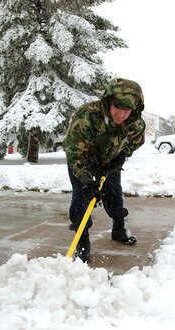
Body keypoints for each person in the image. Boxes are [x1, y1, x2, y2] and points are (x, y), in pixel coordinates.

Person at [64, 78, 146, 262]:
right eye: (117, 107)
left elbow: (135, 142)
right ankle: (82, 240)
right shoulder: (87, 115)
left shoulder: (136, 123)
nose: (121, 114)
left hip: (110, 162)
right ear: (109, 101)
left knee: (114, 194)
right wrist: (87, 181)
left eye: (127, 109)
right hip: (82, 160)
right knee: (81, 198)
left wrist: (121, 157)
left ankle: (119, 228)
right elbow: (74, 151)